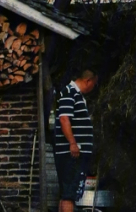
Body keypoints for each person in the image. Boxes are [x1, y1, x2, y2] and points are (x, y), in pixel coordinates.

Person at [54, 68, 97, 212]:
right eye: (93, 84)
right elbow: (64, 119)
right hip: (72, 155)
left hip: (74, 154)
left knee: (67, 193)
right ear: (88, 81)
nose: (93, 88)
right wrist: (73, 143)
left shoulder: (76, 95)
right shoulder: (69, 93)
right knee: (69, 195)